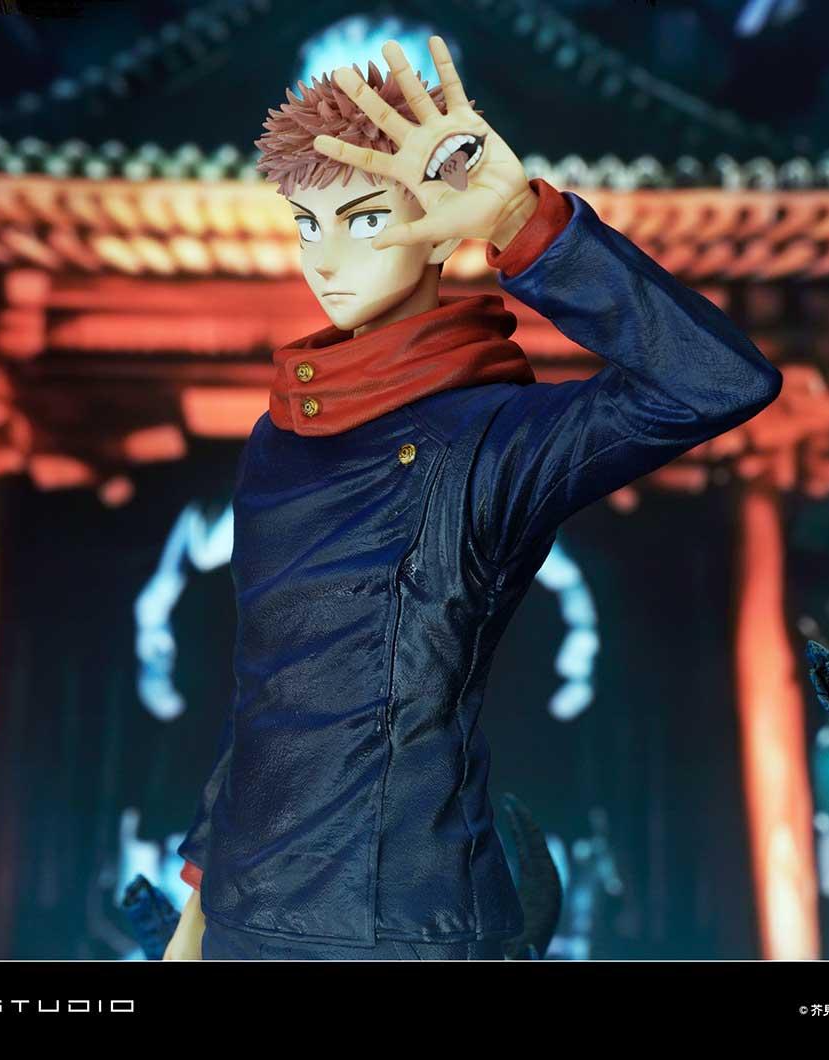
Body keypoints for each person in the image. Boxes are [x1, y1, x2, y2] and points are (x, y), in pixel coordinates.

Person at [164, 36, 781, 960]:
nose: (324, 259)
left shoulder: (492, 439)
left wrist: (525, 223)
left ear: (440, 227)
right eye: (307, 224)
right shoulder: (277, 439)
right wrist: (197, 912)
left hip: (409, 926)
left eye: (366, 221)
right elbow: (269, 698)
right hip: (246, 917)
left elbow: (718, 381)